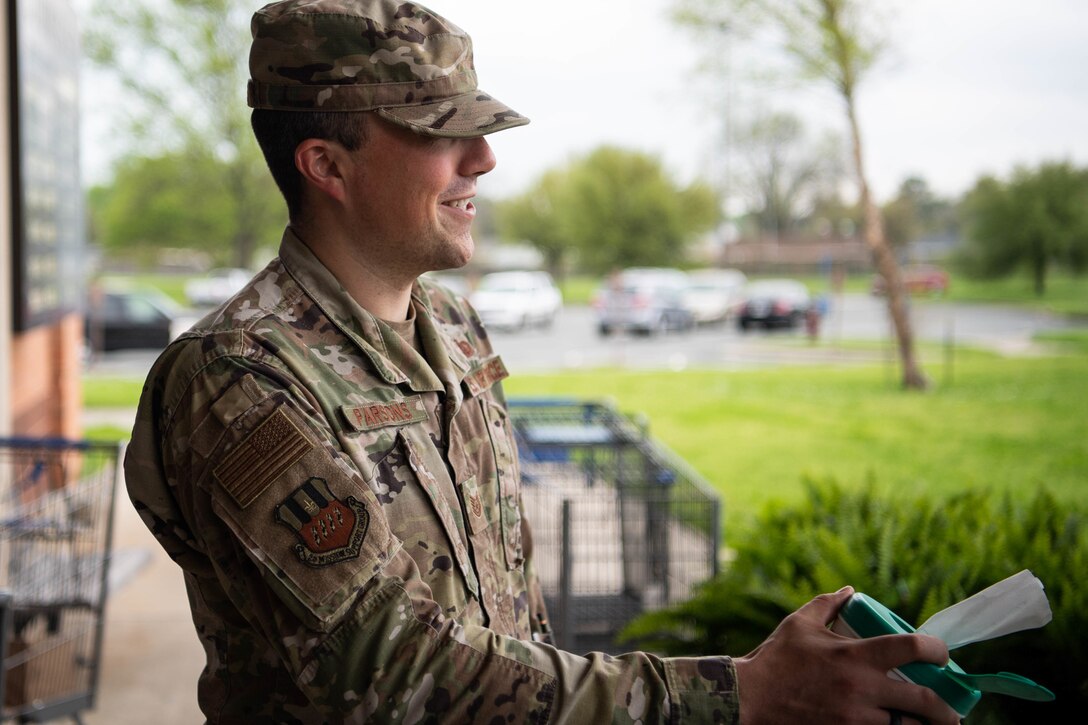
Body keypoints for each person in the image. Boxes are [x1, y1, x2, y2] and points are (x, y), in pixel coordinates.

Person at [124, 1, 961, 723]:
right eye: (438, 132)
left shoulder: (454, 326)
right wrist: (735, 694)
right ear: (326, 165)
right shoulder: (236, 380)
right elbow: (386, 672)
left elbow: (510, 611)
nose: (483, 158)